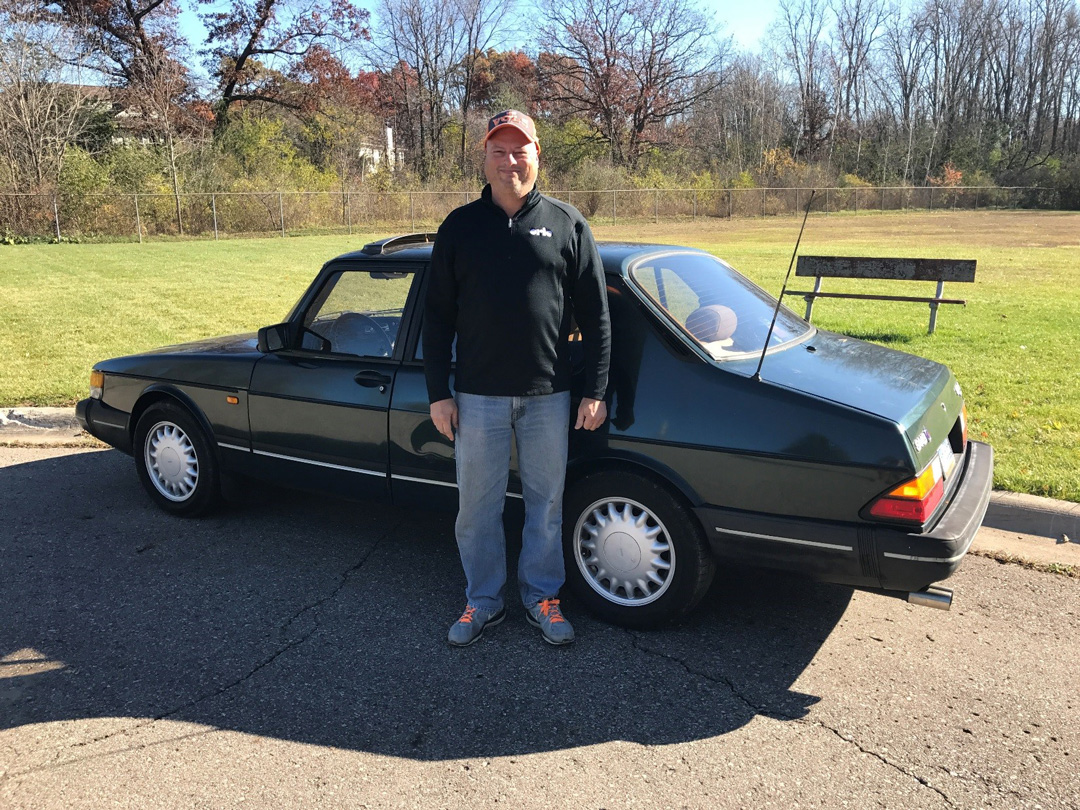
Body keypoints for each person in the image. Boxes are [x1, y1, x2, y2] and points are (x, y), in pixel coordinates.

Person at [423, 109, 611, 647]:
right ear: (484, 158)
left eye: (519, 150)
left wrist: (594, 389)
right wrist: (439, 393)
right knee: (475, 509)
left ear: (537, 155)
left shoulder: (569, 224)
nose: (510, 161)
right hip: (476, 397)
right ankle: (483, 601)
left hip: (549, 396)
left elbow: (596, 316)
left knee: (546, 506)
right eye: (498, 152)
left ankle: (541, 598)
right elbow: (436, 318)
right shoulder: (460, 227)